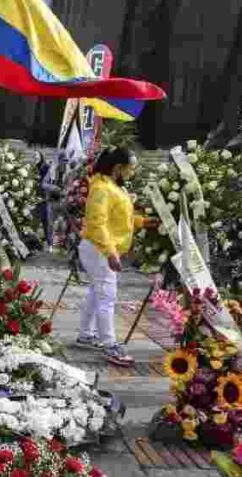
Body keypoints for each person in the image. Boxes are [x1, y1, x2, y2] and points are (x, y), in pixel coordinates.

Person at [76, 147, 157, 366]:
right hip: (99, 249)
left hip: (103, 248)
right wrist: (110, 253)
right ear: (117, 168)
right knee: (107, 296)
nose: (132, 173)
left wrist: (142, 222)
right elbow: (97, 223)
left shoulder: (112, 186)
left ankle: (85, 333)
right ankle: (109, 344)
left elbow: (119, 216)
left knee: (97, 292)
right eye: (130, 169)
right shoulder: (102, 188)